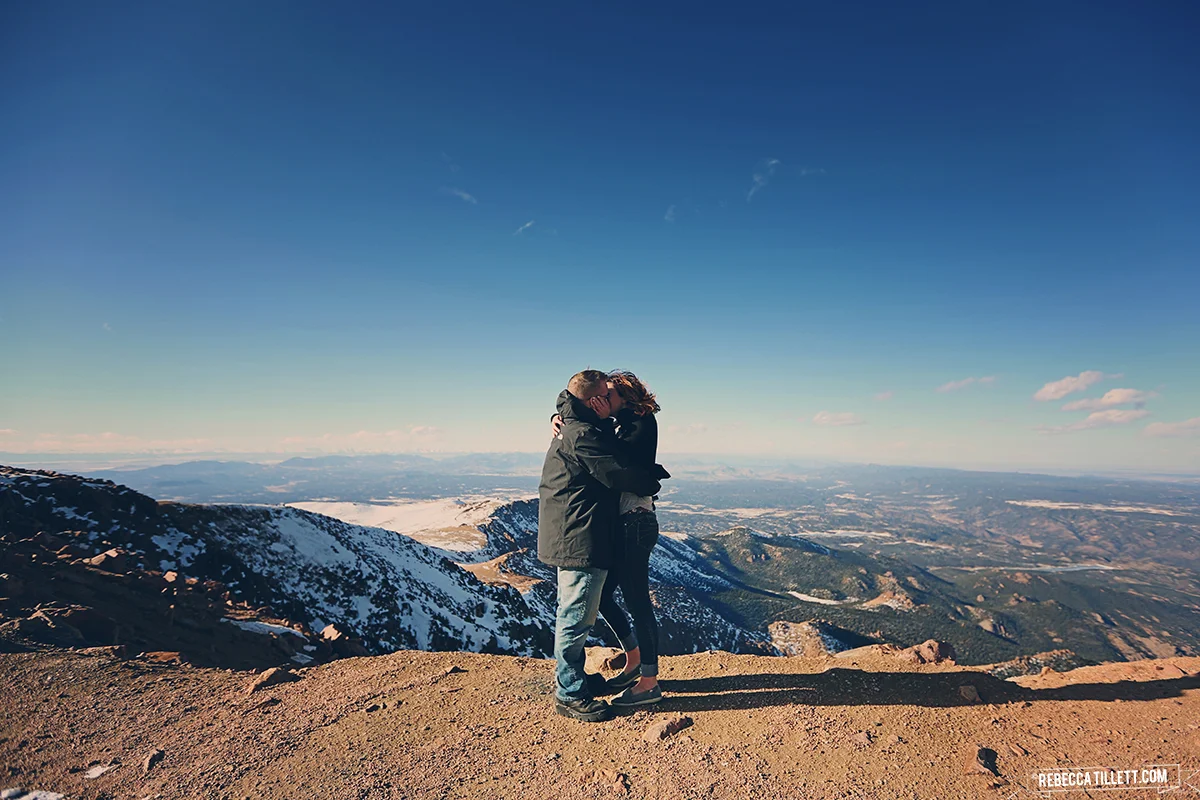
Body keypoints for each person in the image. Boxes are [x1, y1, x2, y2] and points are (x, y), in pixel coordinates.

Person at [538, 370, 669, 723]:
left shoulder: (637, 421)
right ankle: (629, 661)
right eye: (598, 397)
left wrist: (571, 416)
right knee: (598, 601)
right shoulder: (591, 429)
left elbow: (620, 467)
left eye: (608, 395)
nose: (602, 401)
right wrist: (564, 415)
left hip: (633, 522)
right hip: (607, 526)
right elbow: (597, 444)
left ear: (622, 398)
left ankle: (647, 679)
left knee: (635, 599)